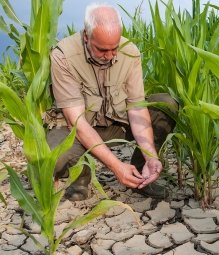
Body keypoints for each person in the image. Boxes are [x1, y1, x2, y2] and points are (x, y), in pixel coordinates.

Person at [46, 3, 177, 201]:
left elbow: (137, 109)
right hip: (78, 130)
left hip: (117, 126)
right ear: (86, 37)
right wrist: (117, 167)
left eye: (114, 48)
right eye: (102, 50)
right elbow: (77, 123)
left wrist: (150, 155)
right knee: (51, 155)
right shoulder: (63, 56)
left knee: (166, 105)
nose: (110, 56)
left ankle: (141, 175)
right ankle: (80, 179)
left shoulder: (130, 52)